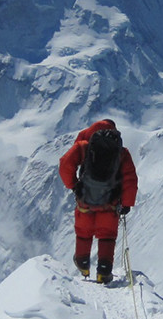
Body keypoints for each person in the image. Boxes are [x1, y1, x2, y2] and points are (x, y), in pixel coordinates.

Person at [59, 119, 138, 284]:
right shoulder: (121, 152)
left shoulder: (84, 146)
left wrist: (73, 185)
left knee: (83, 233)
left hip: (85, 201)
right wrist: (127, 203)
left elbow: (65, 164)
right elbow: (130, 179)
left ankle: (83, 265)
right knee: (107, 236)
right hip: (110, 203)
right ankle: (104, 272)